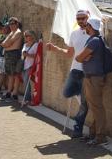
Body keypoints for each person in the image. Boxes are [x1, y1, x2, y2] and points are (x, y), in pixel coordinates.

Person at [46, 10, 91, 138]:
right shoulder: (74, 34)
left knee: (84, 104)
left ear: (88, 18)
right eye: (78, 18)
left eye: (83, 18)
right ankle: (81, 96)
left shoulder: (94, 34)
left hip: (87, 72)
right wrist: (55, 48)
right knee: (66, 92)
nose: (81, 20)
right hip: (75, 70)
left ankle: (78, 127)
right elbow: (70, 53)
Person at [75, 17, 108, 146]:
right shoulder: (94, 40)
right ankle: (94, 133)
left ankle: (100, 136)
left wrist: (83, 57)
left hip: (94, 78)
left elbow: (79, 58)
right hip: (91, 77)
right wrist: (84, 58)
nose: (85, 27)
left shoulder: (94, 41)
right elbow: (83, 57)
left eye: (87, 25)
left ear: (91, 27)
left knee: (97, 107)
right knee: (94, 106)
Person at [0, 17, 23, 102]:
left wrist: (7, 45)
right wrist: (7, 45)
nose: (11, 25)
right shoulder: (12, 32)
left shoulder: (18, 32)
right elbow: (4, 43)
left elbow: (7, 44)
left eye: (13, 23)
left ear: (17, 24)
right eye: (10, 24)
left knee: (15, 74)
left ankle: (14, 93)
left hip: (14, 54)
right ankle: (9, 92)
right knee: (10, 74)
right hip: (9, 54)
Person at [21, 30, 38, 105]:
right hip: (24, 65)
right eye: (25, 36)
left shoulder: (35, 44)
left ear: (32, 36)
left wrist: (28, 55)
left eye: (27, 35)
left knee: (26, 82)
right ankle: (27, 98)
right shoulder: (25, 44)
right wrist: (24, 55)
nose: (26, 37)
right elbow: (22, 55)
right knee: (25, 82)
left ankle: (27, 98)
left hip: (31, 65)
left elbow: (37, 56)